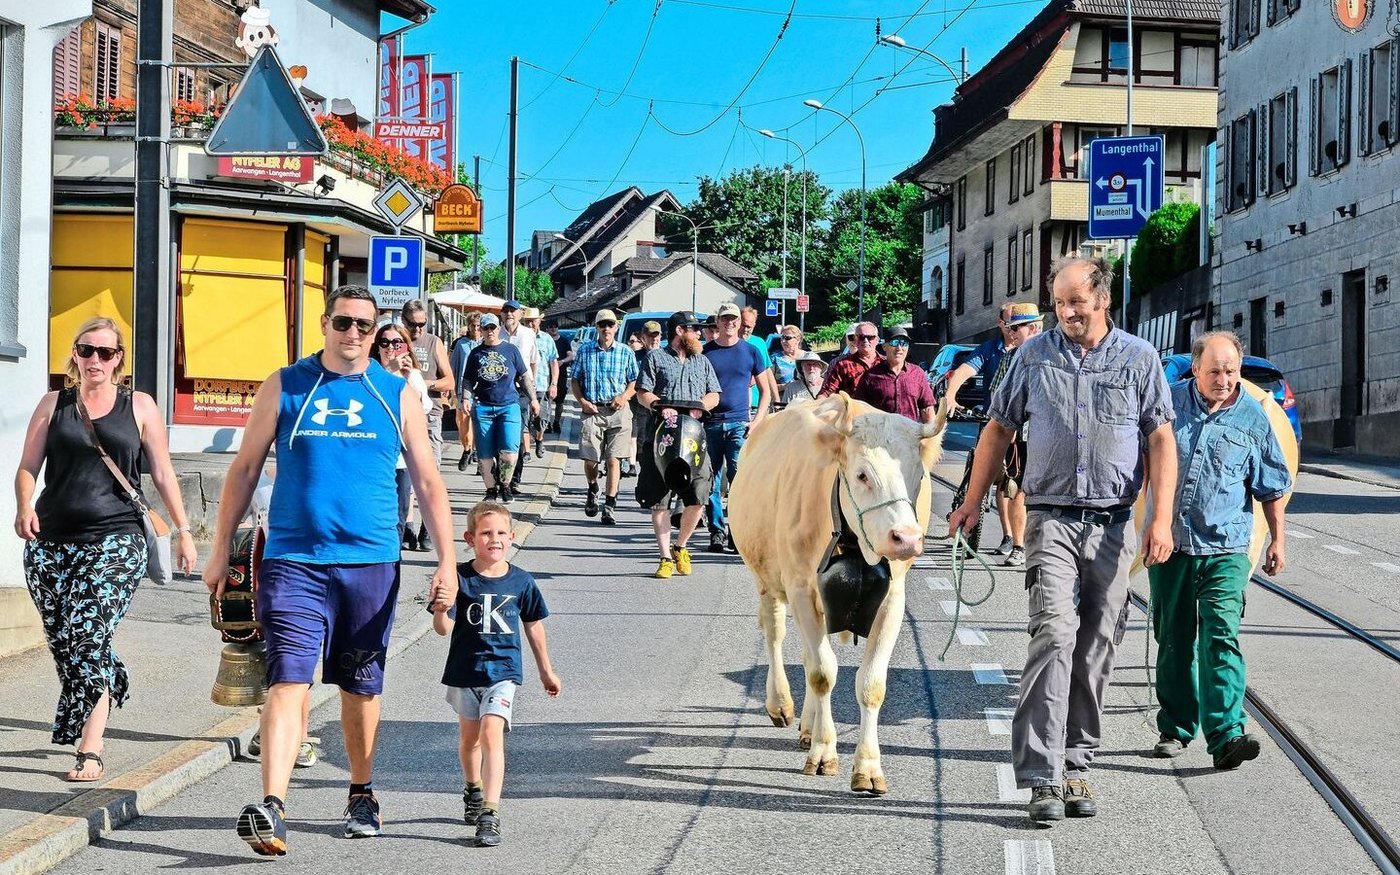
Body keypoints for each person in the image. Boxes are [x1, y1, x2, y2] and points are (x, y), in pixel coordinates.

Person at [202, 285, 457, 855]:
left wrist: (447, 561)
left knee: (359, 687)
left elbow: (427, 480)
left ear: (377, 332)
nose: (353, 334)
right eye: (343, 322)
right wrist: (220, 550)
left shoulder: (395, 392)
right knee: (287, 679)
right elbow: (244, 469)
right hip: (293, 560)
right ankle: (272, 806)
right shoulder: (285, 383)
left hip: (370, 562)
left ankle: (361, 791)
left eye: (365, 325)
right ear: (324, 323)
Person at [947, 256, 1176, 826]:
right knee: (1053, 632)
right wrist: (971, 502)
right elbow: (998, 429)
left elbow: (1160, 440)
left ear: (1102, 299)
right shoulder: (1033, 356)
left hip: (1114, 524)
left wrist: (1161, 520)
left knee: (1097, 643)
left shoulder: (1139, 358)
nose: (1067, 312)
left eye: (1076, 301)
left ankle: (1076, 762)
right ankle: (1041, 774)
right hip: (1049, 517)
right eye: (1059, 303)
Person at [14, 316, 198, 782]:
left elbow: (162, 473)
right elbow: (28, 466)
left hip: (116, 538)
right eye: (86, 350)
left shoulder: (140, 405)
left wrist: (183, 531)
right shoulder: (54, 403)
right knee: (65, 642)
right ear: (75, 355)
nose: (95, 359)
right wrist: (23, 505)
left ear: (119, 359)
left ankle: (91, 745)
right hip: (50, 541)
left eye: (105, 352)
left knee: (88, 634)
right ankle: (111, 678)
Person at [1150, 330, 1291, 770]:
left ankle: (1227, 733)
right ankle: (1176, 727)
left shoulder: (1253, 416)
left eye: (1231, 371)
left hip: (1226, 546)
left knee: (1221, 637)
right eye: (1214, 371)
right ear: (1195, 369)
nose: (1223, 380)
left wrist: (1278, 539)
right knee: (1174, 640)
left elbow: (1271, 485)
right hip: (1171, 544)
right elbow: (1138, 464)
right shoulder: (1167, 404)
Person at [431, 500, 561, 847]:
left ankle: (490, 812)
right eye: (486, 533)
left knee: (492, 734)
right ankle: (473, 788)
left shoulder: (522, 581)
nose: (495, 539)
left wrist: (546, 672)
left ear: (512, 537)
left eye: (502, 533)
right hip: (464, 671)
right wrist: (441, 608)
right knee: (469, 740)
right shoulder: (459, 578)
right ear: (470, 538)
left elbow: (533, 627)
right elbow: (443, 628)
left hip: (503, 672)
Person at [945, 302, 1044, 565]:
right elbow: (996, 392)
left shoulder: (1052, 356)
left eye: (1017, 328)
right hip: (1005, 430)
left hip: (1038, 435)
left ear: (1034, 328)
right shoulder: (1001, 354)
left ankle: (1025, 542)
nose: (1012, 332)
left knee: (1022, 489)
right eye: (1010, 326)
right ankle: (1013, 540)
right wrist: (950, 395)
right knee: (1009, 485)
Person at [635, 311, 721, 579]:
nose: (699, 334)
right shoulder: (655, 358)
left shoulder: (702, 361)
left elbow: (714, 394)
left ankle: (680, 546)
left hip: (694, 439)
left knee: (698, 496)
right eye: (694, 329)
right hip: (661, 437)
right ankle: (664, 558)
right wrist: (659, 406)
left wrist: (701, 406)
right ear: (680, 331)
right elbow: (642, 392)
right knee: (659, 502)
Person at [702, 302, 771, 553]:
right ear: (718, 322)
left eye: (734, 319)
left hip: (740, 425)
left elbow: (765, 391)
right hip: (710, 424)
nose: (729, 323)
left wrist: (757, 420)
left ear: (739, 323)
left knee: (739, 480)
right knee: (710, 480)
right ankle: (717, 531)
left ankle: (737, 531)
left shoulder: (751, 351)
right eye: (725, 319)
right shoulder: (705, 352)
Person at [569, 309, 639, 526]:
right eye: (602, 325)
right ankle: (593, 487)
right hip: (593, 410)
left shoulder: (626, 352)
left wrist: (624, 396)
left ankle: (609, 505)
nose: (606, 328)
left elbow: (634, 381)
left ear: (616, 327)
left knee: (613, 460)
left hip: (618, 411)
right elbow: (575, 379)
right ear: (597, 327)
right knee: (590, 459)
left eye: (610, 324)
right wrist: (582, 401)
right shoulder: (585, 350)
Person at [463, 313, 538, 504]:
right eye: (486, 328)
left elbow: (524, 376)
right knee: (485, 454)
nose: (489, 331)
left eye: (493, 328)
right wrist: (465, 398)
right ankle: (490, 490)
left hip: (509, 405)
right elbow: (468, 379)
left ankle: (505, 484)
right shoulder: (476, 353)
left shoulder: (510, 350)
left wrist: (534, 399)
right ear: (481, 330)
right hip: (483, 407)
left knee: (510, 452)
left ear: (498, 329)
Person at [374, 321, 433, 551]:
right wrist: (389, 371)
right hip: (374, 453)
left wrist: (407, 378)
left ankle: (393, 558)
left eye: (397, 342)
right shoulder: (369, 372)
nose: (390, 347)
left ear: (406, 346)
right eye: (384, 342)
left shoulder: (413, 374)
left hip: (401, 456)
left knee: (400, 511)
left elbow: (422, 407)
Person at [402, 300, 453, 552]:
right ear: (403, 320)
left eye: (422, 324)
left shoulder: (434, 342)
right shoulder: (393, 341)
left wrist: (423, 384)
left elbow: (449, 381)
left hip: (429, 416)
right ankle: (407, 528)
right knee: (404, 476)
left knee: (430, 474)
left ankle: (427, 528)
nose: (418, 329)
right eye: (413, 324)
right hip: (400, 416)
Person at [853, 326, 936, 423]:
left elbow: (927, 408)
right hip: (881, 431)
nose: (899, 348)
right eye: (895, 343)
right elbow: (859, 411)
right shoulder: (870, 376)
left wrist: (932, 430)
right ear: (884, 347)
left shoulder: (917, 374)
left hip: (910, 430)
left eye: (904, 343)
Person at [500, 301, 538, 493]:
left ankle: (514, 479)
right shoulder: (495, 332)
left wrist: (533, 391)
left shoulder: (528, 334)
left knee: (517, 433)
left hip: (522, 390)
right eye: (506, 311)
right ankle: (501, 477)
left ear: (520, 314)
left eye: (513, 311)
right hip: (500, 389)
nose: (509, 314)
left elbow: (534, 362)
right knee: (500, 435)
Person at [624, 322, 663, 479]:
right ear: (643, 338)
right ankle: (632, 465)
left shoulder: (666, 356)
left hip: (657, 405)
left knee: (652, 439)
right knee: (633, 434)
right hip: (635, 402)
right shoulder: (635, 357)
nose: (654, 339)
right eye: (650, 336)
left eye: (657, 335)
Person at [522, 308, 557, 458]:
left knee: (541, 418)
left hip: (542, 385)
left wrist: (554, 384)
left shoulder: (547, 339)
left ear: (539, 322)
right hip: (523, 386)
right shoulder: (521, 338)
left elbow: (553, 362)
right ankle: (526, 451)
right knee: (524, 419)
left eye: (533, 321)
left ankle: (539, 439)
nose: (530, 324)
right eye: (527, 321)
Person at [450, 314, 483, 472]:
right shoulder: (461, 344)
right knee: (463, 423)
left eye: (478, 326)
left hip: (481, 389)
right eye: (473, 325)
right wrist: (451, 388)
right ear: (468, 326)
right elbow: (453, 366)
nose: (475, 329)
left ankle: (479, 454)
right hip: (463, 388)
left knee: (479, 423)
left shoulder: (485, 343)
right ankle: (467, 449)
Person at [818, 321, 883, 398]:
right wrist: (819, 401)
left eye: (870, 337)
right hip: (854, 405)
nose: (865, 340)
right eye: (861, 337)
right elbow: (827, 392)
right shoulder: (842, 365)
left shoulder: (887, 363)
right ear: (856, 339)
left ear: (877, 340)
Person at [738, 305, 778, 411]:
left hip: (758, 403)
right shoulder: (730, 342)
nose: (745, 330)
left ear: (754, 325)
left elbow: (767, 371)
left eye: (749, 327)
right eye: (743, 325)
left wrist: (776, 398)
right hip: (737, 404)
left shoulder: (759, 343)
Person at [543, 320, 572, 433]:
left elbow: (570, 356)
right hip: (547, 373)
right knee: (547, 400)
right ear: (547, 329)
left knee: (560, 401)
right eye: (551, 326)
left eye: (555, 326)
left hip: (561, 374)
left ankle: (556, 422)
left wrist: (562, 361)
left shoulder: (563, 340)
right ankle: (547, 423)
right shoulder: (545, 340)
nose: (553, 328)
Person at [770, 324, 803, 391]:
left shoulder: (808, 357)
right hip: (783, 396)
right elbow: (766, 385)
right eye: (782, 338)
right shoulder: (775, 358)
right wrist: (785, 386)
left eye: (787, 338)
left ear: (798, 339)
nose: (783, 341)